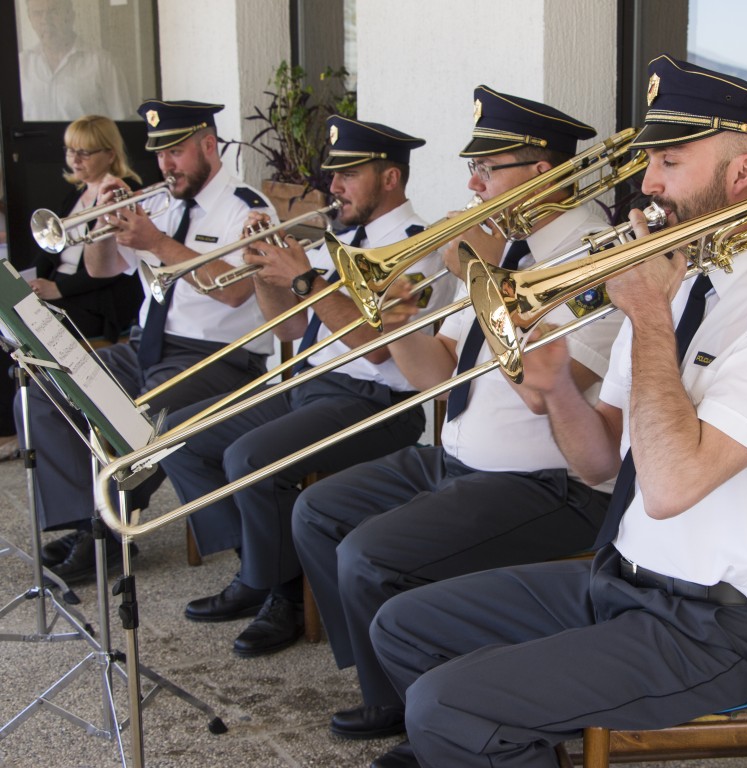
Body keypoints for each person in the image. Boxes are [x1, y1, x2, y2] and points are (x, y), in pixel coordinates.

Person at [367, 56, 747, 768]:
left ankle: (468, 736)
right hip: (619, 578)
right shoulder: (675, 277)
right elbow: (600, 459)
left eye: (668, 161)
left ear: (743, 173)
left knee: (446, 703)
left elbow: (669, 488)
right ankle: (472, 747)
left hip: (710, 630)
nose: (647, 184)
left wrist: (650, 319)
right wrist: (557, 389)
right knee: (404, 627)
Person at [291, 85, 623, 746]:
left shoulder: (594, 254)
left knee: (368, 555)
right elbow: (441, 375)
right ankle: (395, 695)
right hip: (457, 460)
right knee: (318, 514)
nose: (472, 182)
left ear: (541, 172)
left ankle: (434, 724)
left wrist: (482, 271)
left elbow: (545, 387)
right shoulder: (509, 246)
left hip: (547, 486)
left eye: (489, 167)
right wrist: (393, 324)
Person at [159, 115, 457, 657]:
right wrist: (261, 269)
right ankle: (261, 564)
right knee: (179, 433)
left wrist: (306, 280)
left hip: (375, 402)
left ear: (390, 179)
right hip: (309, 387)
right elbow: (293, 327)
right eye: (332, 175)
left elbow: (378, 344)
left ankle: (283, 595)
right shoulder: (335, 241)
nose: (333, 187)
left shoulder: (419, 246)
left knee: (251, 460)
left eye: (348, 175)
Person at [18, 99, 277, 585]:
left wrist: (159, 243)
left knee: (137, 417)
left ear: (207, 146)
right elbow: (101, 269)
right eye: (159, 155)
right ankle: (87, 524)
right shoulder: (157, 202)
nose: (165, 166)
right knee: (42, 389)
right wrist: (103, 217)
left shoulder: (245, 208)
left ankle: (108, 533)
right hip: (145, 347)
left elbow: (237, 289)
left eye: (176, 153)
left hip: (217, 357)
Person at [29, 115, 144, 342]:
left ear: (110, 154)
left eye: (85, 152)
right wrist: (29, 281)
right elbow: (51, 246)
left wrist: (58, 289)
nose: (75, 159)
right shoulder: (76, 193)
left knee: (38, 326)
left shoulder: (122, 192)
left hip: (98, 299)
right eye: (71, 150)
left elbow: (113, 266)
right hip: (61, 287)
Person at [18, 0, 132, 122]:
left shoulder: (102, 63)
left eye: (54, 11)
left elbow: (123, 124)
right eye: (38, 13)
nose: (45, 21)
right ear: (30, 19)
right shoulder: (21, 64)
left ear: (71, 16)